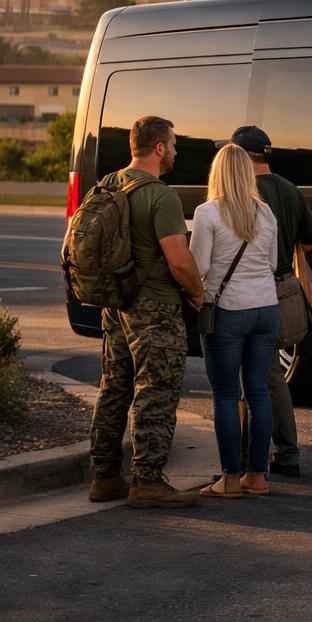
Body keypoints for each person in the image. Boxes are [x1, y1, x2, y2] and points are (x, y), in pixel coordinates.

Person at [88, 115, 206, 510]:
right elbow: (179, 260)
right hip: (154, 308)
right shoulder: (161, 195)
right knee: (155, 390)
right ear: (158, 147)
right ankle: (147, 480)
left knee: (114, 387)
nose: (175, 152)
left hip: (114, 304)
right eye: (172, 145)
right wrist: (197, 292)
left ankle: (104, 477)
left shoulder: (107, 184)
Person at [228, 125, 312, 478]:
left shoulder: (239, 192)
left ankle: (256, 457)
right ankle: (283, 452)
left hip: (249, 291)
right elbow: (309, 240)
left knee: (252, 377)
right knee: (271, 373)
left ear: (240, 155)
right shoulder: (289, 189)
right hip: (282, 288)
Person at [191, 143, 280, 498]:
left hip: (227, 310)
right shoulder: (266, 213)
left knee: (226, 394)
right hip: (266, 308)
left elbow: (199, 266)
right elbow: (273, 263)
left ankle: (229, 479)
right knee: (258, 391)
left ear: (217, 173)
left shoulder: (207, 213)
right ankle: (257, 476)